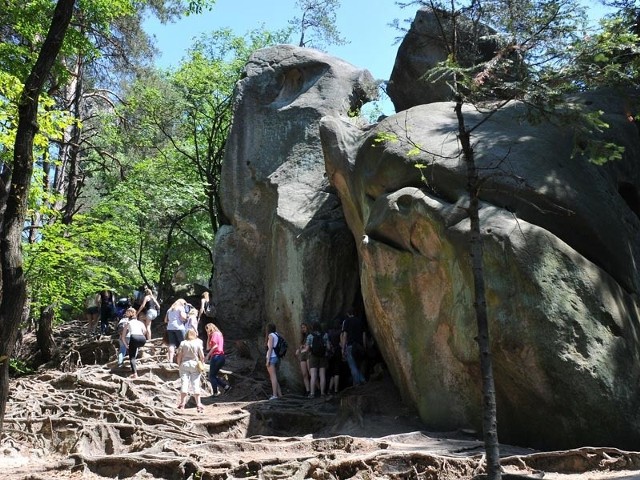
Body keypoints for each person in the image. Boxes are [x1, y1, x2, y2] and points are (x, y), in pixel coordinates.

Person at [175, 328, 205, 412]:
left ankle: (182, 404)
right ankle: (198, 404)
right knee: (195, 383)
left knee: (184, 383)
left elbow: (179, 355)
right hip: (195, 364)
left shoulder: (183, 343)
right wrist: (201, 364)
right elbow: (202, 356)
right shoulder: (198, 343)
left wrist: (179, 364)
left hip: (184, 364)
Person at [340, 310, 366, 386]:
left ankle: (358, 382)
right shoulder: (360, 321)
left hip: (350, 346)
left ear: (348, 314)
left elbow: (345, 335)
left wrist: (343, 347)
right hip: (359, 346)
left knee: (352, 365)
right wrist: (364, 346)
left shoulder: (347, 321)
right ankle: (362, 380)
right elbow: (364, 335)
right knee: (358, 365)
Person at [120, 309, 149, 379]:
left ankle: (135, 374)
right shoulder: (140, 323)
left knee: (132, 357)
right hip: (142, 339)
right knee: (135, 348)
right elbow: (145, 331)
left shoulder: (128, 323)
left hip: (134, 337)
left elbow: (123, 337)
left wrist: (126, 346)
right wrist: (141, 336)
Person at [303, 321, 329, 398]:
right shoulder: (325, 335)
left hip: (313, 356)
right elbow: (328, 347)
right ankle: (322, 393)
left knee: (313, 375)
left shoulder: (310, 336)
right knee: (322, 375)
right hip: (322, 356)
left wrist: (302, 350)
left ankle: (312, 394)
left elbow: (307, 349)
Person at [204, 323, 231, 396]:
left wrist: (207, 356)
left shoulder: (215, 334)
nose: (207, 331)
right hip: (221, 357)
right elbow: (208, 347)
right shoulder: (218, 334)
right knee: (213, 375)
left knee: (211, 376)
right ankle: (226, 387)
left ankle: (215, 393)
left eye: (207, 329)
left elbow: (215, 346)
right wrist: (208, 337)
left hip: (217, 356)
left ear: (210, 328)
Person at [164, 298, 188, 364]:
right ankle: (185, 359)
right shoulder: (181, 308)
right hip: (179, 327)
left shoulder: (169, 310)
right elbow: (183, 317)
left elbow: (165, 320)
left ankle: (170, 360)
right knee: (183, 343)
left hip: (170, 328)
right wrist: (186, 318)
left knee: (171, 344)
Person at [265, 323, 282, 400]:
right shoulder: (277, 334)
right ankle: (280, 394)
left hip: (272, 357)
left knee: (273, 377)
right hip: (277, 357)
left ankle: (274, 395)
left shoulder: (271, 335)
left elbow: (270, 348)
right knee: (274, 376)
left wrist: (268, 360)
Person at [326, 318, 343, 394]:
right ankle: (336, 389)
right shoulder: (340, 332)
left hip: (331, 353)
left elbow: (328, 344)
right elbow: (342, 343)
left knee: (332, 372)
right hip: (338, 352)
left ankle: (330, 389)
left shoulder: (329, 332)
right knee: (337, 371)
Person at [295, 322, 311, 396]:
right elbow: (301, 346)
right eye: (302, 328)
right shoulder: (303, 337)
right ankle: (308, 390)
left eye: (304, 327)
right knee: (304, 374)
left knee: (311, 373)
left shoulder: (310, 336)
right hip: (302, 355)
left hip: (308, 354)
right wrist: (299, 349)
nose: (303, 329)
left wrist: (303, 347)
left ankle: (318, 389)